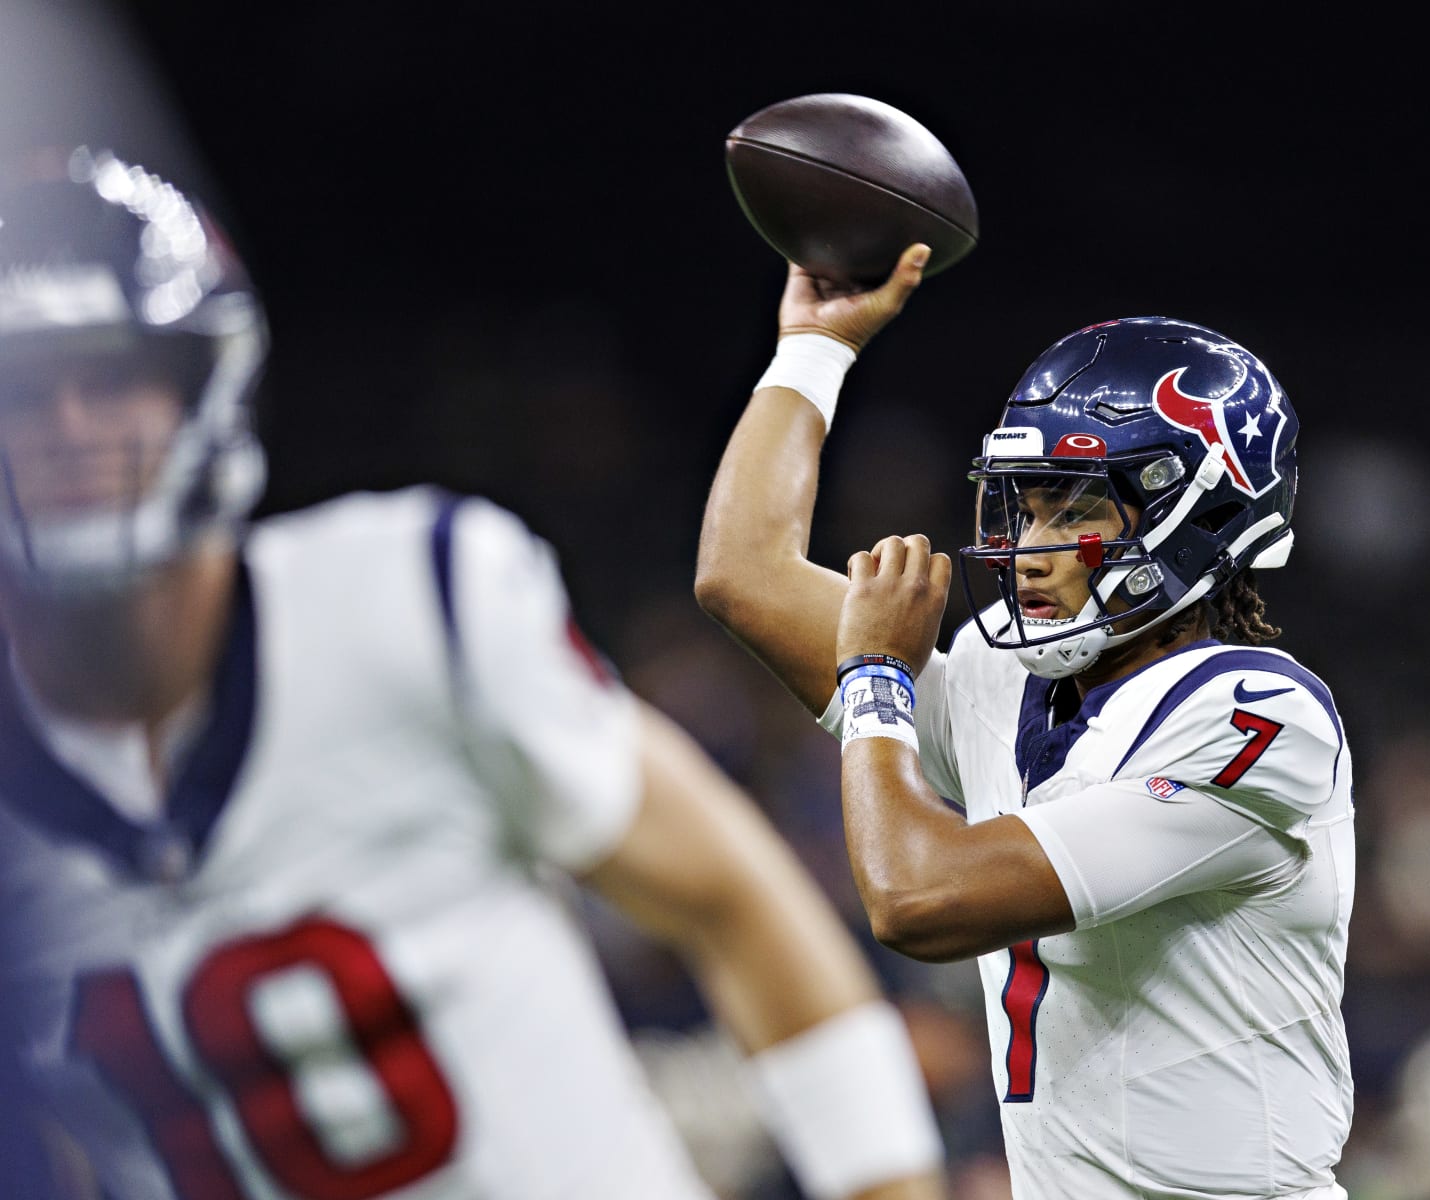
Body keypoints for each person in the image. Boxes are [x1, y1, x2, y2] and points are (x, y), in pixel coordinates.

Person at [0, 149, 945, 1200]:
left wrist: (886, 1188)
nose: (72, 429)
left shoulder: (410, 599)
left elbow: (731, 896)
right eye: (26, 393)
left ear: (201, 386)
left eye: (114, 376)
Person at [696, 248, 1356, 1199]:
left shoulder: (1256, 717)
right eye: (1026, 508)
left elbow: (917, 900)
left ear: (1197, 510)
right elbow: (742, 572)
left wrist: (878, 673)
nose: (1032, 552)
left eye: (1078, 511)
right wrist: (814, 347)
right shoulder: (1005, 679)